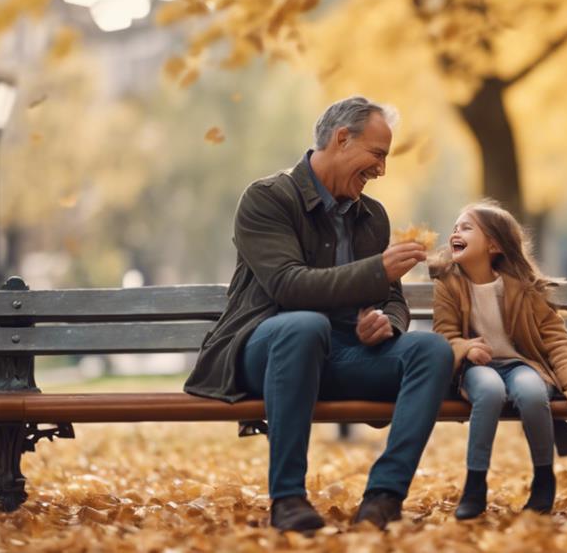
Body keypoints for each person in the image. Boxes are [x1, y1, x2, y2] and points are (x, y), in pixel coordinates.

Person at [184, 96, 454, 533]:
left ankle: (384, 497)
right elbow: (289, 287)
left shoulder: (372, 217)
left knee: (432, 351)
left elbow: (393, 300)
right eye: (377, 155)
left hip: (342, 357)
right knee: (304, 326)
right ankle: (288, 500)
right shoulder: (267, 198)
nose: (381, 170)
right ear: (342, 139)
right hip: (266, 351)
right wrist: (377, 270)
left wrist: (387, 324)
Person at [430, 200, 567, 520]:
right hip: (475, 368)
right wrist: (465, 349)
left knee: (533, 393)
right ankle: (475, 484)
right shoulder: (448, 285)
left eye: (466, 227)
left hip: (521, 365)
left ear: (493, 244)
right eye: (455, 227)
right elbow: (444, 336)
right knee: (491, 392)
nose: (456, 232)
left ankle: (544, 479)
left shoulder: (524, 288)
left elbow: (556, 338)